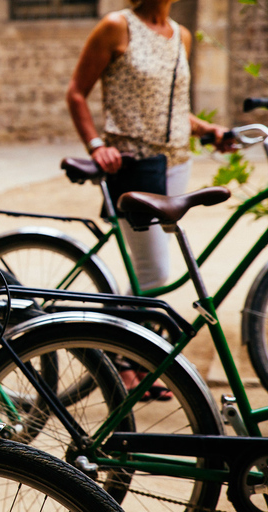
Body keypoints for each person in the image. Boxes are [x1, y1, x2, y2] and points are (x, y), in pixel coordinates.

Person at [65, 0, 232, 400]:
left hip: (176, 163)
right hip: (134, 164)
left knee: (145, 275)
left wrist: (206, 129)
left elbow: (170, 108)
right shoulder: (116, 27)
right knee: (153, 274)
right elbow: (76, 94)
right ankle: (120, 362)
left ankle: (131, 362)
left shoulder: (181, 35)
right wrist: (94, 144)